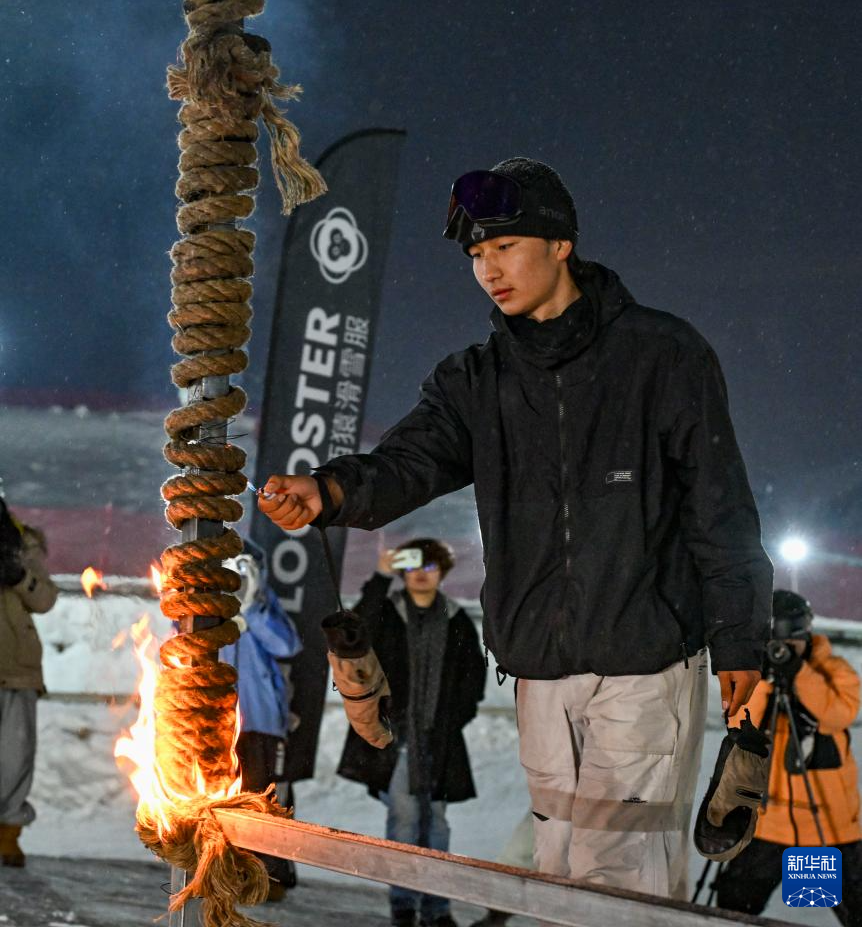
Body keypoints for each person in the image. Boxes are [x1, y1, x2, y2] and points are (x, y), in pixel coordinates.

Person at [259, 157, 773, 899]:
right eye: (476, 254)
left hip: (645, 664)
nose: (489, 270)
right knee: (559, 876)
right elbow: (408, 461)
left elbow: (720, 511)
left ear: (561, 243)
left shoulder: (662, 356)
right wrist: (329, 489)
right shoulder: (476, 380)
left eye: (505, 246)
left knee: (620, 885)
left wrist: (741, 644)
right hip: (539, 674)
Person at [336, 538, 485, 927]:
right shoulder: (386, 611)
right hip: (396, 737)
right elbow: (353, 632)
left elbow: (473, 678)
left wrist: (453, 719)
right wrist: (380, 577)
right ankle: (403, 905)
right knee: (403, 819)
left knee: (436, 822)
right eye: (414, 565)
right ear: (403, 570)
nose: (421, 573)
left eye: (430, 566)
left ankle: (436, 909)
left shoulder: (456, 618)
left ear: (442, 572)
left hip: (439, 739)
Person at [716, 590, 861, 923]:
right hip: (767, 823)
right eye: (773, 644)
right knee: (730, 912)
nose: (780, 651)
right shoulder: (754, 676)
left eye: (786, 644)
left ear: (804, 635)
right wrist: (764, 678)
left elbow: (836, 715)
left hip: (827, 826)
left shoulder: (833, 670)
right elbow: (740, 724)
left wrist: (799, 673)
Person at [221, 537, 303, 901]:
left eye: (243, 567)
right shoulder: (208, 605)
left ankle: (270, 876)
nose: (236, 576)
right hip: (220, 722)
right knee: (224, 798)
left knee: (266, 799)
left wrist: (252, 605)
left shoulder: (264, 606)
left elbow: (287, 645)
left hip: (262, 722)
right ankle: (227, 872)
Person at [0, 496, 58, 867]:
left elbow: (45, 599)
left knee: (14, 759)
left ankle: (7, 835)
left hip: (17, 669)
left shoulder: (22, 541)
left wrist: (20, 577)